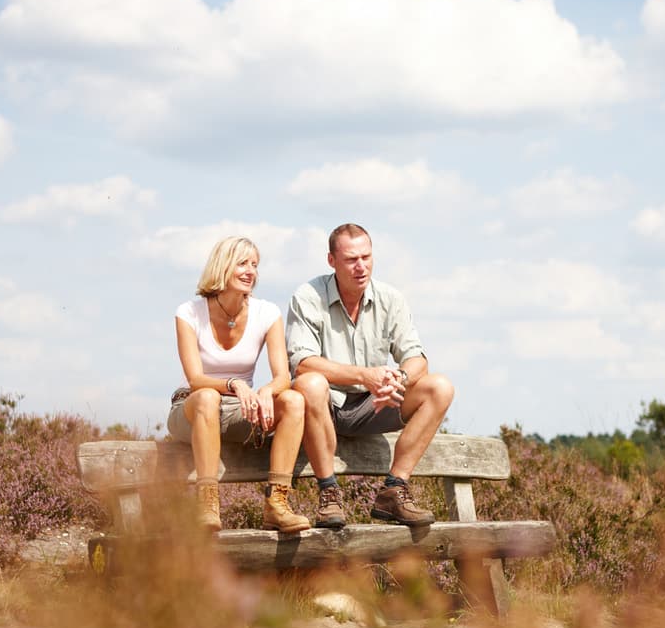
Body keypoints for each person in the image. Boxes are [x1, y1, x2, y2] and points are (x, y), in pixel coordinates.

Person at [286, 222, 454, 528]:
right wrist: (365, 376)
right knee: (309, 383)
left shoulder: (391, 298)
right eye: (351, 259)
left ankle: (394, 490)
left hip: (373, 406)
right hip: (325, 407)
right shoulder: (307, 296)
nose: (361, 266)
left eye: (366, 257)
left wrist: (398, 380)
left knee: (439, 388)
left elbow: (417, 358)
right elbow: (302, 363)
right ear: (331, 261)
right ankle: (329, 494)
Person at [168, 236, 311, 534]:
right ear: (222, 266)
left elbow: (283, 377)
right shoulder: (189, 313)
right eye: (242, 263)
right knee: (207, 396)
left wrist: (265, 392)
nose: (251, 272)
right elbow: (195, 380)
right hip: (192, 409)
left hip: (239, 409)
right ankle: (207, 505)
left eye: (255, 265)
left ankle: (277, 504)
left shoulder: (267, 313)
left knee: (294, 401)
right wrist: (235, 384)